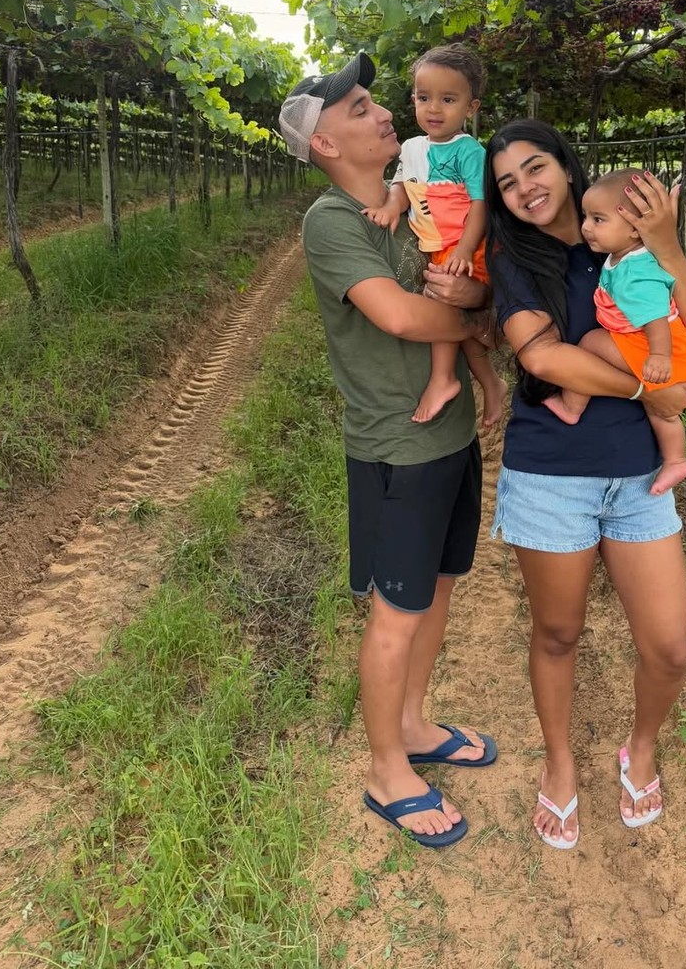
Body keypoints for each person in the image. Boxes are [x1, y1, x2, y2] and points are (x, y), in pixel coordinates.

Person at [278, 51, 498, 849]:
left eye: (380, 101)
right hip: (394, 447)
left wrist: (476, 304)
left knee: (436, 589)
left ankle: (412, 722)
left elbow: (469, 280)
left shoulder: (415, 207)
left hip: (449, 435)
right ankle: (385, 770)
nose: (385, 114)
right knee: (395, 613)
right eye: (363, 107)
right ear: (326, 144)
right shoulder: (332, 222)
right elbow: (403, 319)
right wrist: (477, 324)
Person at [480, 119, 686, 849]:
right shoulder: (511, 256)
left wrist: (670, 245)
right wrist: (652, 392)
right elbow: (545, 361)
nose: (526, 188)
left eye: (536, 167)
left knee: (670, 647)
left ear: (568, 165)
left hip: (639, 476)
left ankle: (638, 749)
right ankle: (558, 765)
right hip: (551, 473)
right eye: (508, 182)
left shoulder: (622, 236)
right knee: (557, 631)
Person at [362, 43, 507, 429]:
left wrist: (463, 248)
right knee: (459, 321)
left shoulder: (469, 151)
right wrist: (392, 208)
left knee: (442, 307)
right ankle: (491, 384)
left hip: (463, 245)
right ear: (413, 99)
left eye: (448, 99)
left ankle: (443, 379)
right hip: (436, 245)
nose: (434, 109)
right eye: (424, 98)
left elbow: (479, 206)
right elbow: (400, 185)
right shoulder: (411, 148)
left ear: (471, 108)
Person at [542, 167, 686, 496]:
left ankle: (573, 405)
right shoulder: (624, 257)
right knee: (659, 409)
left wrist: (659, 356)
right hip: (664, 348)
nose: (586, 227)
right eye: (586, 216)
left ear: (634, 230)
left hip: (661, 349)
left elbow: (655, 317)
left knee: (588, 342)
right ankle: (675, 460)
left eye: (598, 220)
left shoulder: (633, 273)